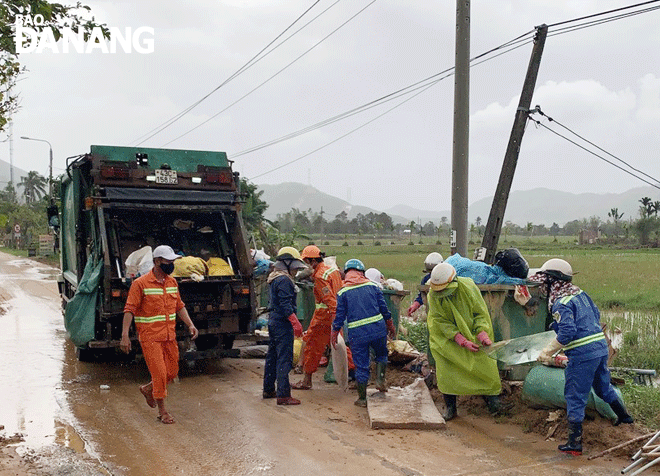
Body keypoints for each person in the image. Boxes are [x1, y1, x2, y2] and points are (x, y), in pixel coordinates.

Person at [532, 258, 633, 456]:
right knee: (604, 387)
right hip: (599, 349)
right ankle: (625, 418)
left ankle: (574, 444)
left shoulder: (561, 303)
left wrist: (547, 352)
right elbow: (594, 315)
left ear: (553, 281)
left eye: (545, 281)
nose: (544, 286)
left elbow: (568, 332)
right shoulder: (579, 294)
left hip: (582, 354)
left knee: (575, 395)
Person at [120, 245, 199, 424]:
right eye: (167, 261)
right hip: (150, 337)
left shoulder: (172, 282)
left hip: (169, 336)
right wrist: (125, 335)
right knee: (160, 374)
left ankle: (148, 389)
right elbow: (129, 310)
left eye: (172, 261)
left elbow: (179, 306)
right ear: (156, 262)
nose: (171, 264)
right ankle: (163, 412)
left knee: (172, 372)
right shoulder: (140, 284)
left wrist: (190, 324)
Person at [426, 262, 505, 421]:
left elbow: (480, 313)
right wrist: (459, 339)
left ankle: (493, 403)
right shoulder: (433, 295)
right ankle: (450, 407)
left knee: (485, 364)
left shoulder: (468, 288)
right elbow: (439, 321)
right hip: (445, 339)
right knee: (447, 369)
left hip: (473, 333)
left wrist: (482, 332)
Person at [332, 259, 396, 407]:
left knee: (361, 365)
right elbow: (384, 309)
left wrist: (334, 333)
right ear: (361, 272)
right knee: (381, 354)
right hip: (377, 329)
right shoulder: (373, 286)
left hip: (357, 334)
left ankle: (362, 398)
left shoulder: (343, 292)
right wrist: (391, 325)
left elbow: (339, 316)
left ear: (347, 273)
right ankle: (380, 380)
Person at [293, 245, 355, 390]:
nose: (306, 265)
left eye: (307, 261)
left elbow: (329, 300)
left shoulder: (320, 277)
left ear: (313, 261)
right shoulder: (332, 270)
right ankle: (359, 373)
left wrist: (335, 320)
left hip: (324, 318)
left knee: (311, 346)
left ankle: (306, 380)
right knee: (340, 348)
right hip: (334, 316)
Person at [262, 247, 306, 405]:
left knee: (272, 356)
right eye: (294, 267)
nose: (295, 271)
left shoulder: (274, 277)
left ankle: (268, 389)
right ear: (286, 265)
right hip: (282, 323)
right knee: (284, 358)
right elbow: (286, 306)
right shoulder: (284, 280)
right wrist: (296, 324)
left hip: (274, 321)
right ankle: (283, 395)